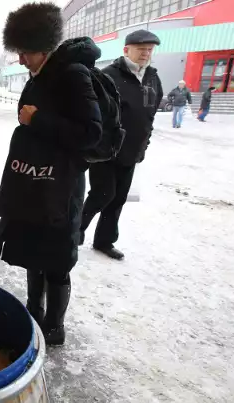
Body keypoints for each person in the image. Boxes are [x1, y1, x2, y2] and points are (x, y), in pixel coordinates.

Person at [0, 2, 103, 346]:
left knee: (56, 257)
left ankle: (54, 325)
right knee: (33, 250)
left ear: (43, 46)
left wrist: (37, 119)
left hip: (61, 187)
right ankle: (32, 310)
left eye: (24, 52)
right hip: (35, 181)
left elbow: (91, 132)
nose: (21, 59)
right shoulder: (40, 74)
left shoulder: (73, 74)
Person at [80, 29, 163, 261]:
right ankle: (75, 231)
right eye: (141, 49)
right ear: (126, 50)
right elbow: (93, 114)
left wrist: (143, 145)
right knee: (102, 194)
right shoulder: (108, 76)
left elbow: (150, 115)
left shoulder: (153, 79)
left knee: (118, 198)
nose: (146, 53)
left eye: (149, 49)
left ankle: (104, 241)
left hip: (132, 151)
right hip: (105, 151)